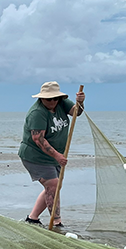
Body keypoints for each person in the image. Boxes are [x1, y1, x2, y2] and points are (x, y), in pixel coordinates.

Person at [18, 81, 85, 229]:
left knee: (54, 186)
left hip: (54, 155)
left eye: (55, 98)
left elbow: (76, 113)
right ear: (42, 98)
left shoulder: (61, 103)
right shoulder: (37, 113)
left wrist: (80, 102)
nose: (53, 101)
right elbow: (38, 139)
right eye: (49, 99)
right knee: (53, 184)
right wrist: (57, 156)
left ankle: (32, 218)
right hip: (35, 156)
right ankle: (56, 222)